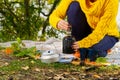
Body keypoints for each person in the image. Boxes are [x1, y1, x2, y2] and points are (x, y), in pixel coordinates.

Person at [49, 0, 119, 64]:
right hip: (88, 32)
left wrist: (82, 44)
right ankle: (82, 50)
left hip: (106, 34)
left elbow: (100, 32)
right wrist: (57, 22)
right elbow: (54, 15)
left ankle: (103, 49)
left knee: (92, 51)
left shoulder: (112, 1)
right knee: (74, 6)